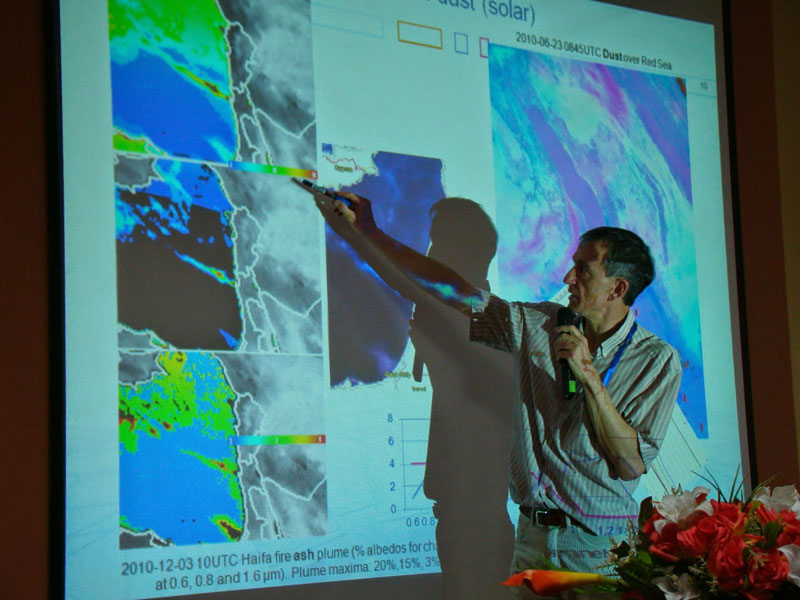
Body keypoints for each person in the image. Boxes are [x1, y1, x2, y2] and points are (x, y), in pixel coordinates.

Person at [304, 183, 681, 598]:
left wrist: (589, 378)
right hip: (532, 544)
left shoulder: (655, 361)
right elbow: (449, 290)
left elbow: (629, 464)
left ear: (617, 289)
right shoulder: (538, 325)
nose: (567, 278)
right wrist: (369, 232)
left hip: (600, 552)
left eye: (583, 270)